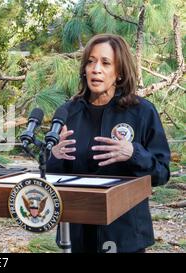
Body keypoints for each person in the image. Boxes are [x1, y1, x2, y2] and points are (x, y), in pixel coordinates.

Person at [47, 34, 170, 253]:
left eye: (105, 63)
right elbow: (53, 176)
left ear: (119, 72)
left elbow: (162, 173)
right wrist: (54, 156)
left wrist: (134, 153)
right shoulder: (68, 112)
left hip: (125, 236)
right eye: (90, 61)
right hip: (77, 235)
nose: (95, 69)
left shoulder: (141, 112)